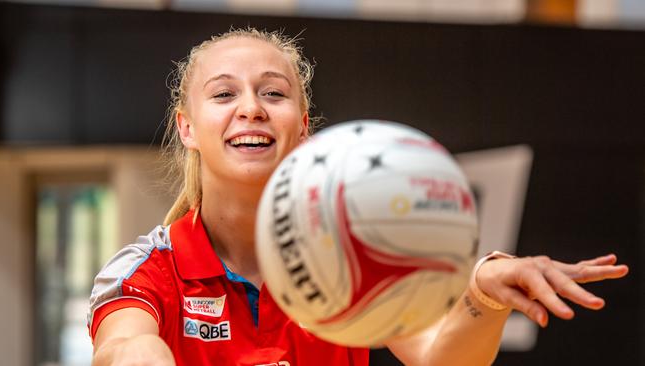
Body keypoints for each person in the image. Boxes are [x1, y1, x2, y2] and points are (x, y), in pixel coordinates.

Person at [88, 28, 629, 366]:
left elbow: (441, 358)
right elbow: (123, 348)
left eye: (272, 93)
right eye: (224, 93)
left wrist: (483, 296)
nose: (251, 108)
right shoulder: (146, 270)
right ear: (186, 128)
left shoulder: (351, 255)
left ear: (302, 127)